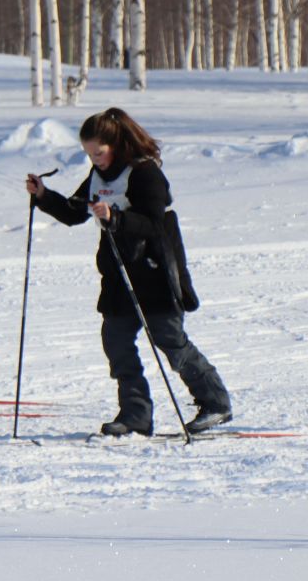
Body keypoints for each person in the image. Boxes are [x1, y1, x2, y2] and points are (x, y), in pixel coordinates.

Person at [24, 108, 233, 437]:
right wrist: (43, 196)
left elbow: (153, 223)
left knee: (170, 340)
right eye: (89, 154)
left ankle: (215, 402)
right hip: (117, 274)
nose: (95, 160)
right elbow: (74, 213)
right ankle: (135, 414)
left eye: (99, 152)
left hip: (153, 271)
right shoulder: (97, 175)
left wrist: (116, 219)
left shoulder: (144, 172)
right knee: (116, 341)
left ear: (116, 144)